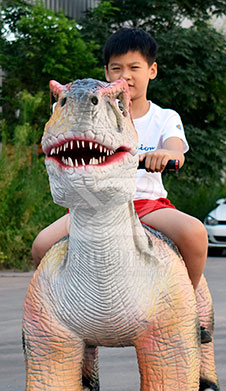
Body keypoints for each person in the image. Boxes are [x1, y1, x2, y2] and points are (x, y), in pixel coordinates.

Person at [31, 28, 208, 289]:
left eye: (134, 67)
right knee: (42, 245)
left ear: (152, 70)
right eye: (117, 68)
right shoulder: (93, 113)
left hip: (144, 204)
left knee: (194, 233)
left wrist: (165, 155)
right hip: (93, 204)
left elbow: (176, 151)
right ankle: (62, 304)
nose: (125, 75)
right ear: (106, 73)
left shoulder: (164, 117)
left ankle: (188, 301)